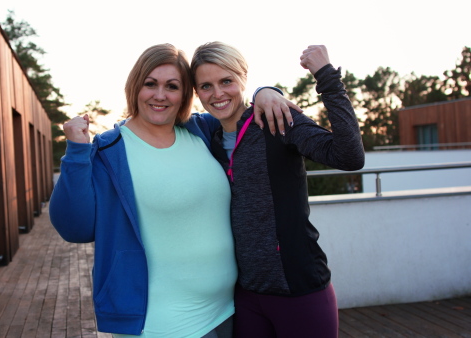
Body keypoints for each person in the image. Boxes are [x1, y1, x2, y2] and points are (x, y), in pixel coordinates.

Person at [49, 43, 300, 337]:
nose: (160, 95)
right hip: (161, 323)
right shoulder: (110, 150)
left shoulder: (202, 131)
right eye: (150, 84)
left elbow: (235, 107)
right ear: (135, 87)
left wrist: (265, 92)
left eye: (172, 86)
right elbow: (75, 228)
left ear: (185, 94)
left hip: (229, 309)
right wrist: (78, 150)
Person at [191, 42, 365, 338]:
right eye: (206, 86)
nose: (217, 94)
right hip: (245, 296)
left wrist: (326, 76)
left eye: (226, 81)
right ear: (196, 93)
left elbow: (349, 156)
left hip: (300, 289)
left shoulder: (277, 119)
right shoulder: (208, 138)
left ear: (243, 77)